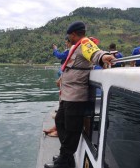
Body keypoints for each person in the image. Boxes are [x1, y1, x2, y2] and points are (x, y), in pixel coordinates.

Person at [44, 21, 115, 168]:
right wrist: (61, 78)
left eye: (69, 36)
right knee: (60, 121)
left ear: (74, 34)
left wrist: (103, 57)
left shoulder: (84, 43)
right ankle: (66, 155)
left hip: (76, 96)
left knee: (72, 129)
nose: (68, 38)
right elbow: (71, 68)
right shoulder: (74, 48)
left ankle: (65, 161)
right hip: (67, 95)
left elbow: (95, 53)